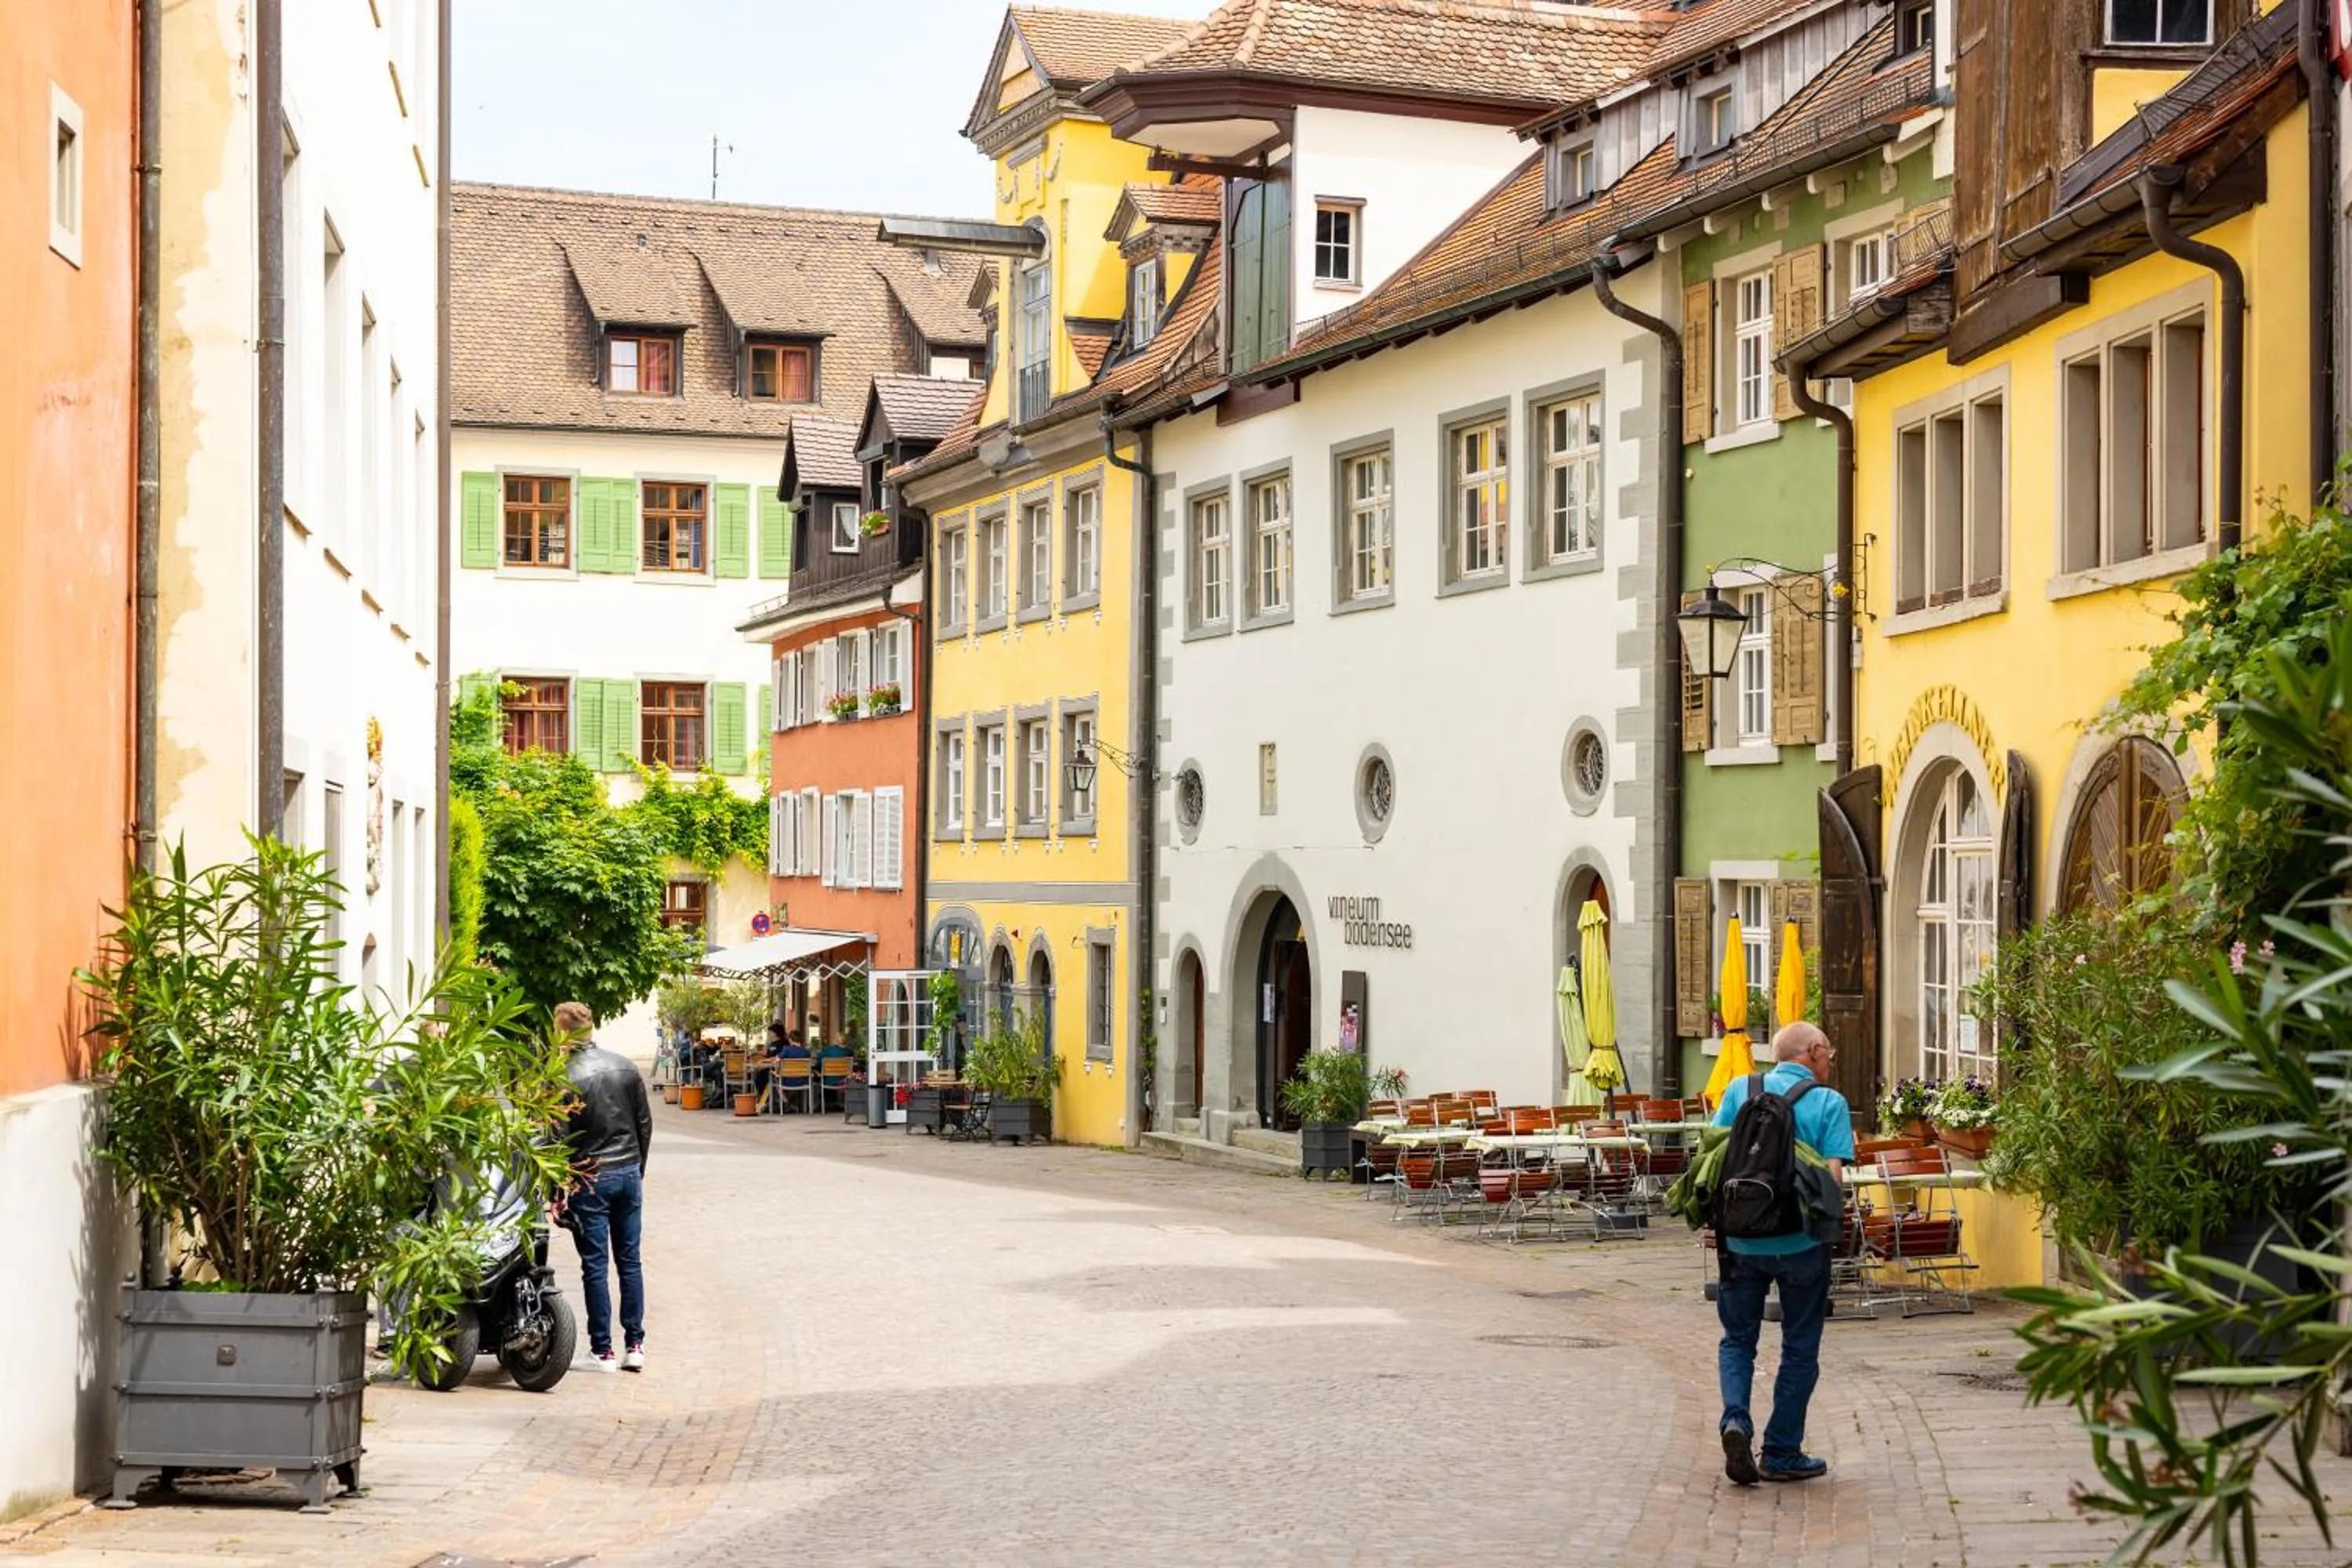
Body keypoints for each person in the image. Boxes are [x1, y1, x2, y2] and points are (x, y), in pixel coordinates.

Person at [1709, 1021, 1853, 1486]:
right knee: (1800, 1348)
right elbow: (1832, 1179)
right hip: (1801, 1243)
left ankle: (1736, 1421)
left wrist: (1716, 1224)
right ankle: (1782, 1452)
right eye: (1828, 1052)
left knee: (1737, 1341)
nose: (1830, 1060)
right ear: (1812, 1051)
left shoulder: (1739, 1090)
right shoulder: (1829, 1103)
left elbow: (1712, 1160)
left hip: (1742, 1240)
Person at [555, 1000, 652, 1373]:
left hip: (590, 1175)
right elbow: (644, 1123)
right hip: (627, 1170)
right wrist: (636, 1169)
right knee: (630, 1261)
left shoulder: (564, 1075)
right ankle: (635, 1344)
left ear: (562, 1032)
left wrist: (557, 1191)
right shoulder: (625, 1066)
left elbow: (557, 1138)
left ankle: (603, 1351)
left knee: (595, 1265)